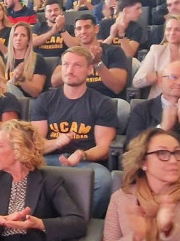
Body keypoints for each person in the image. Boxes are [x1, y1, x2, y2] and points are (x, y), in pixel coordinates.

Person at [31, 47, 116, 217]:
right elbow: (35, 145)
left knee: (104, 180)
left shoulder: (102, 103)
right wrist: (55, 143)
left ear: (90, 70)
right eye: (66, 65)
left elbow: (104, 147)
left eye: (77, 65)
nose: (70, 70)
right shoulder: (44, 100)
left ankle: (80, 224)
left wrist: (82, 154)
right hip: (47, 159)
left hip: (83, 162)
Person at [5, 22, 48, 98]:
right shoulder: (4, 60)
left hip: (28, 102)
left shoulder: (37, 59)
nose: (18, 38)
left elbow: (36, 93)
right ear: (11, 39)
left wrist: (21, 78)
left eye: (23, 35)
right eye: (15, 35)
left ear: (28, 40)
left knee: (8, 87)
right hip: (6, 102)